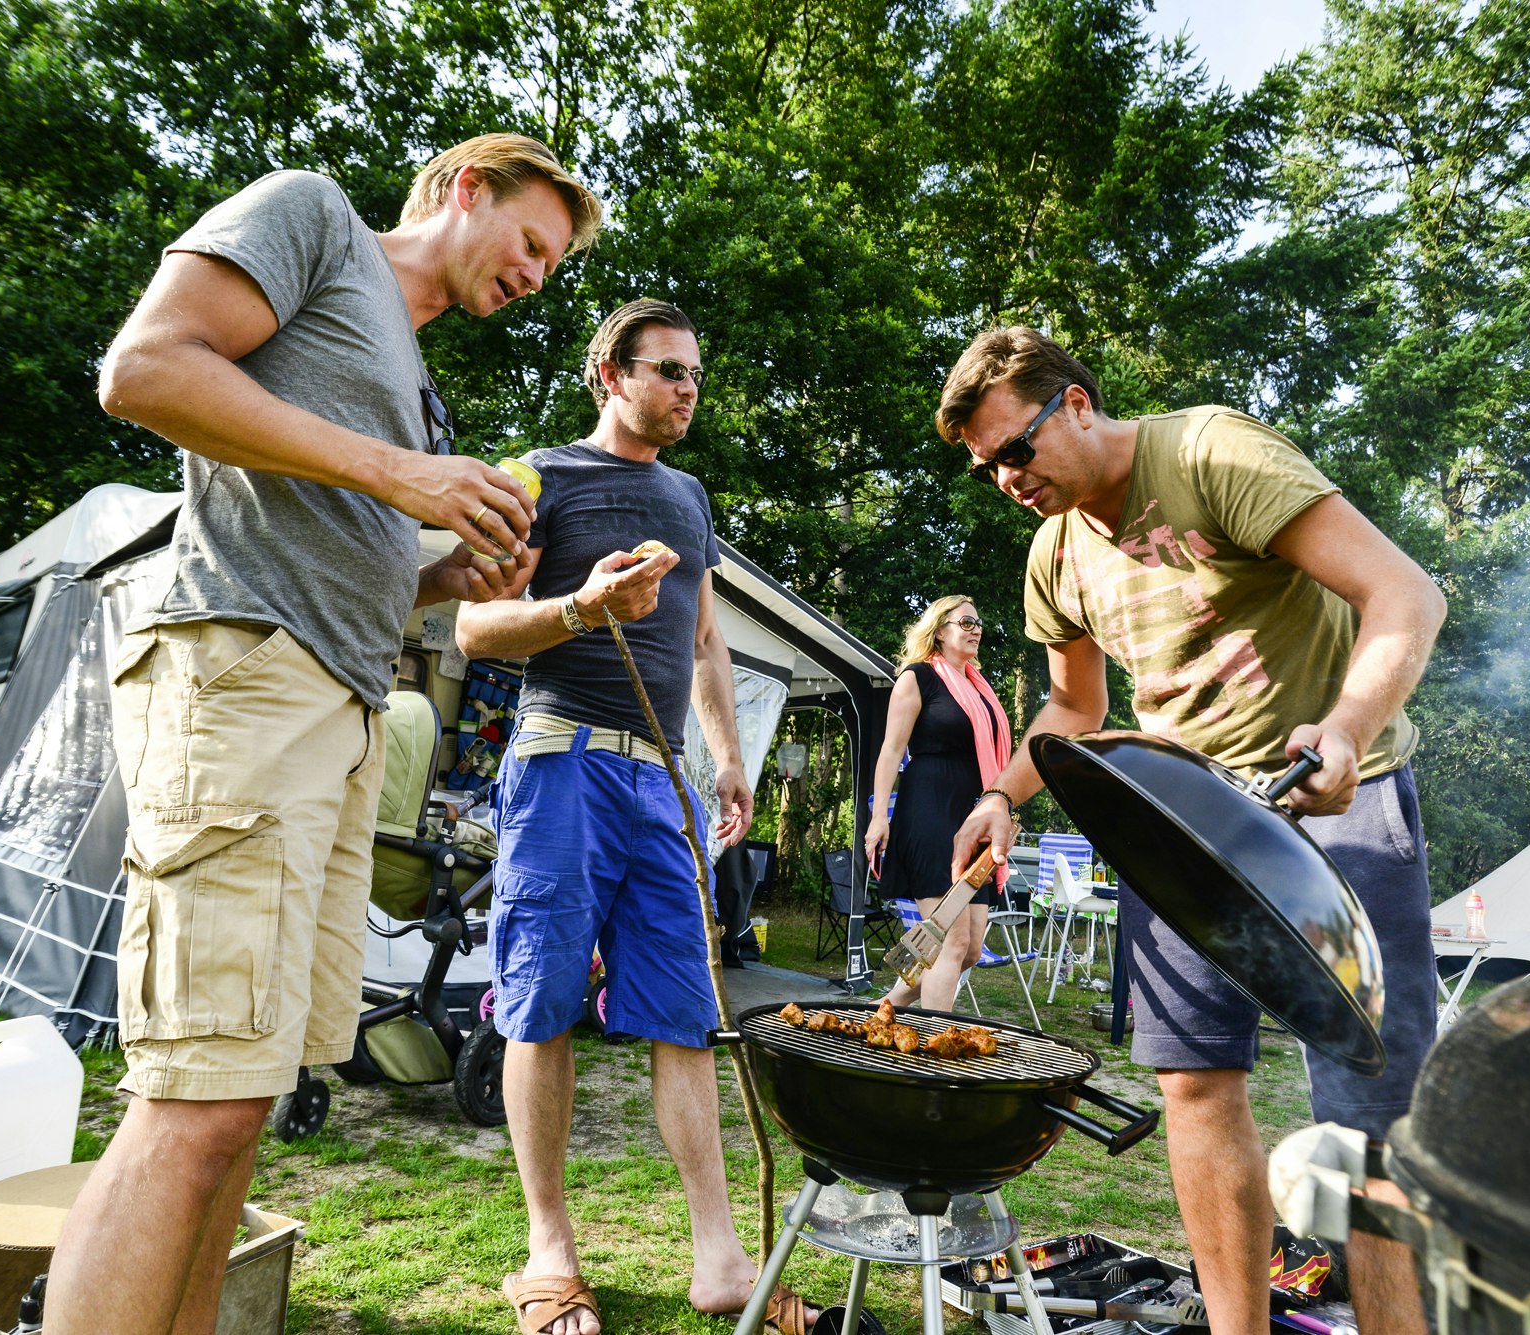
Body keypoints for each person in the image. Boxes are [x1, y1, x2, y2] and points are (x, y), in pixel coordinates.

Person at [44, 136, 602, 1335]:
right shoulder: (313, 220)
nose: (538, 276)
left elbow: (354, 554)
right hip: (245, 673)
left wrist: (447, 569)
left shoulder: (411, 374)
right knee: (192, 1099)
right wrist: (402, 473)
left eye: (554, 267)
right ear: (466, 188)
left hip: (338, 716)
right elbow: (141, 371)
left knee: (245, 1098)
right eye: (532, 243)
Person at [940, 326, 1444, 1335]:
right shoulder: (1053, 554)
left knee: (1369, 1122)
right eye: (984, 467)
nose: (1004, 479)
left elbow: (1403, 594)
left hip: (1329, 807)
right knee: (1193, 1088)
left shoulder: (1210, 453)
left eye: (1014, 451)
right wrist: (1003, 793)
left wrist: (1343, 731)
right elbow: (1073, 712)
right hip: (1178, 827)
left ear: (1076, 403)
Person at [456, 299, 819, 1335]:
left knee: (681, 1014)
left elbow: (705, 643)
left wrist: (726, 762)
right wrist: (581, 609)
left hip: (662, 784)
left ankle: (717, 1257)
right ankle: (548, 1254)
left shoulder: (689, 496)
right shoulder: (540, 477)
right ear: (606, 375)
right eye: (666, 371)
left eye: (694, 374)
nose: (686, 390)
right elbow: (474, 627)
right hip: (559, 759)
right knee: (539, 1002)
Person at [863, 595, 1014, 1012]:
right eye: (965, 621)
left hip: (975, 819)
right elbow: (891, 751)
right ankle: (933, 1050)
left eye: (978, 622)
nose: (975, 628)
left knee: (969, 949)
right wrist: (879, 818)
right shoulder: (918, 678)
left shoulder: (980, 689)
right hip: (930, 813)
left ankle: (884, 1010)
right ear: (939, 629)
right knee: (952, 939)